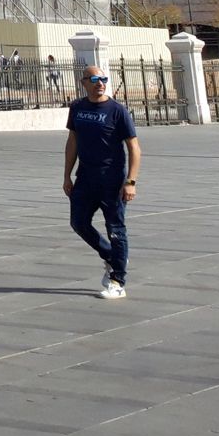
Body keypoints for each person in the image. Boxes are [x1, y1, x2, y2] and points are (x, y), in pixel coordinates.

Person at [63, 67, 140, 299]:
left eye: (103, 79)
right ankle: (111, 255)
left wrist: (131, 181)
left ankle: (118, 281)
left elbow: (134, 148)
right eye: (95, 79)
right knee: (78, 223)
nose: (100, 83)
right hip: (85, 178)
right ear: (84, 82)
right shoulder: (77, 108)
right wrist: (67, 176)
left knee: (115, 229)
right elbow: (72, 142)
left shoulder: (117, 111)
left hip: (112, 180)